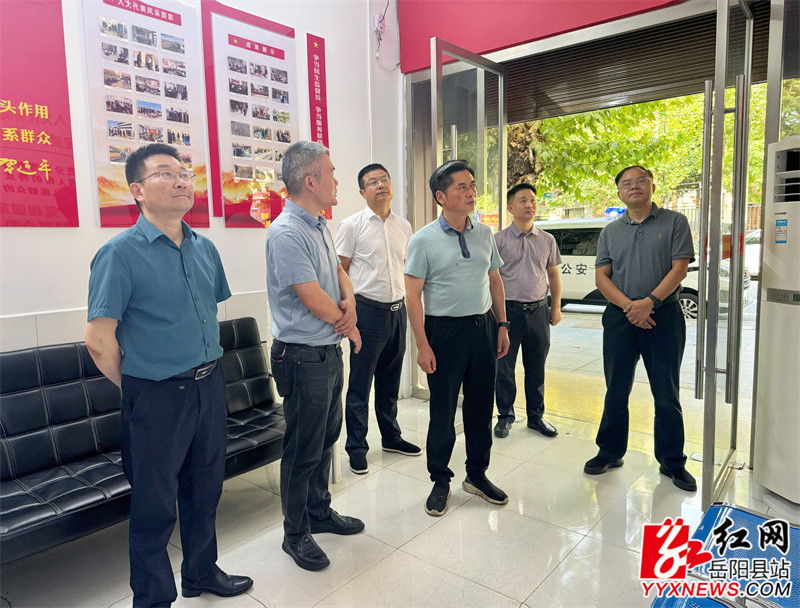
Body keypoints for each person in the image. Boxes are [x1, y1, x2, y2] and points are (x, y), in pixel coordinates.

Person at [85, 143, 252, 606]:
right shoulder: (118, 254)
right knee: (154, 505)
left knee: (205, 489)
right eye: (165, 173)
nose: (181, 180)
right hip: (157, 395)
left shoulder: (204, 247)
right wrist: (140, 386)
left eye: (184, 173)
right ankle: (154, 598)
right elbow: (98, 340)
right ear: (136, 190)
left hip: (209, 384)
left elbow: (206, 314)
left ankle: (201, 572)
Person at [265, 141, 365, 572]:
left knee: (326, 439)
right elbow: (309, 295)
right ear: (310, 181)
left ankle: (319, 512)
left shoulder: (319, 224)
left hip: (325, 351)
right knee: (302, 448)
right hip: (301, 357)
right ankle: (295, 533)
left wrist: (351, 302)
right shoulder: (286, 232)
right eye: (332, 172)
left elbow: (339, 272)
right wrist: (349, 324)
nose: (337, 180)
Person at [404, 159, 511, 517]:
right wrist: (422, 345)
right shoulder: (423, 240)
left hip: (483, 328)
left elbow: (494, 280)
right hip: (443, 332)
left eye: (472, 185)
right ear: (441, 196)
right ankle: (440, 479)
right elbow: (412, 296)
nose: (471, 192)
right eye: (461, 187)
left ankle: (477, 474)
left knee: (481, 406)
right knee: (443, 409)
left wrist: (502, 324)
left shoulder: (484, 234)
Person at [584, 165, 697, 492]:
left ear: (652, 186)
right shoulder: (610, 231)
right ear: (619, 191)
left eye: (640, 181)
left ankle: (672, 461)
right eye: (626, 183)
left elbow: (679, 269)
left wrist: (649, 302)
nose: (633, 186)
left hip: (663, 316)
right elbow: (602, 277)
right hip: (620, 318)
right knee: (616, 388)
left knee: (666, 392)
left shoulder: (675, 221)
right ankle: (609, 451)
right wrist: (630, 307)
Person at [334, 163, 421, 475]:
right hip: (367, 313)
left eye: (385, 179)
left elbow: (406, 267)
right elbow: (340, 270)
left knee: (390, 381)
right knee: (360, 384)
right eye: (373, 182)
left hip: (398, 311)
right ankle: (356, 447)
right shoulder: (351, 225)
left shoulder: (404, 226)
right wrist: (347, 312)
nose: (381, 185)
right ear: (362, 192)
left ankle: (391, 437)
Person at [493, 184, 562, 439]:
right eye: (523, 200)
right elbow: (491, 279)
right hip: (508, 313)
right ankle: (505, 416)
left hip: (539, 311)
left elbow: (553, 275)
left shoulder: (547, 239)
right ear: (510, 208)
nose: (529, 205)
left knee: (536, 367)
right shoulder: (498, 240)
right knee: (504, 367)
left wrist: (555, 307)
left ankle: (536, 417)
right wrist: (497, 317)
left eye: (532, 200)